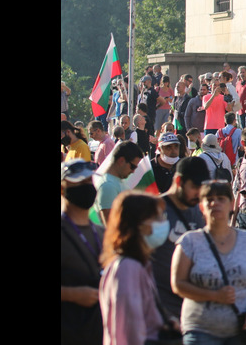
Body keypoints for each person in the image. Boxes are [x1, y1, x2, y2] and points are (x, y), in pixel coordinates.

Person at [170, 179, 246, 345]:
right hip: (200, 330)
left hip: (241, 330)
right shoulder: (189, 242)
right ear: (201, 206)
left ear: (231, 204)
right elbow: (178, 283)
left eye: (221, 199)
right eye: (209, 199)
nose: (215, 203)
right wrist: (214, 296)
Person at [99, 191, 178, 345]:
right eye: (157, 218)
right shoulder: (128, 268)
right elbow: (129, 328)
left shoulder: (139, 264)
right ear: (139, 225)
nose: (163, 223)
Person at [154, 157, 209, 318]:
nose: (199, 193)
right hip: (158, 310)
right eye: (194, 187)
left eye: (202, 188)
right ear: (179, 181)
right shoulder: (153, 211)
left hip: (189, 310)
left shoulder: (197, 212)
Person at [61, 160, 104, 345]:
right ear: (63, 189)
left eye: (90, 181)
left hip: (99, 332)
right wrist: (72, 294)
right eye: (80, 182)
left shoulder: (102, 232)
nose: (88, 187)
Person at [96, 141, 144, 224]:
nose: (133, 171)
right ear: (121, 160)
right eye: (132, 167)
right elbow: (110, 225)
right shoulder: (108, 185)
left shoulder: (116, 181)